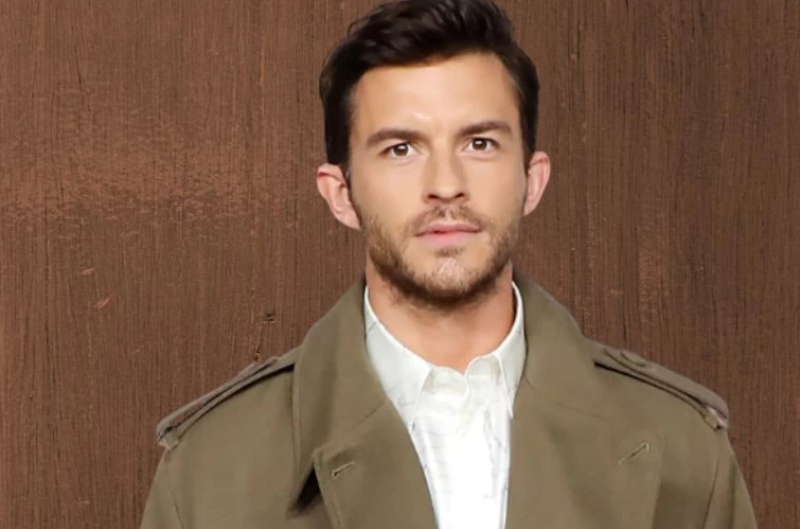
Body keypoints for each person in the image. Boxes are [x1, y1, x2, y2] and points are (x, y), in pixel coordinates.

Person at [140, 0, 757, 527]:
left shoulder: (682, 452)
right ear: (341, 194)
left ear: (532, 181)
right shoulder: (212, 469)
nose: (445, 184)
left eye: (479, 143)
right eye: (401, 149)